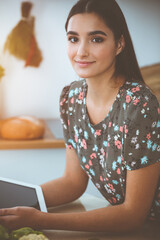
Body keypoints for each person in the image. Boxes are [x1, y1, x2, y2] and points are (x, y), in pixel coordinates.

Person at [0, 0, 159, 233]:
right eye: (73, 39)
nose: (81, 51)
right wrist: (12, 201)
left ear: (119, 43)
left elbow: (132, 214)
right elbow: (72, 183)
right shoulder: (70, 98)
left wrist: (38, 219)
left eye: (96, 39)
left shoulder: (139, 105)